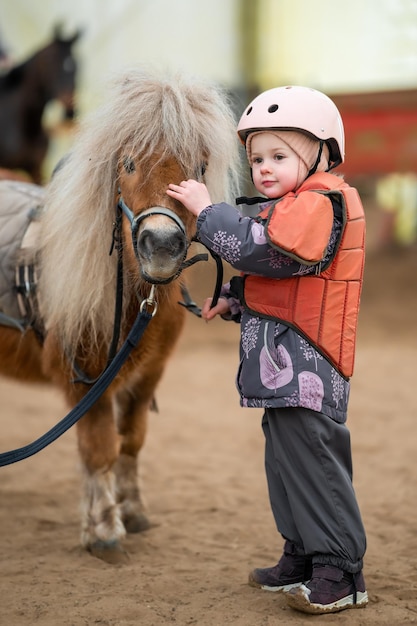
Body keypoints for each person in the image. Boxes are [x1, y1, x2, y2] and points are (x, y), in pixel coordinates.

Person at [167, 85, 368, 615]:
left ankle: (340, 569)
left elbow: (264, 253)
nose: (263, 169)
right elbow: (283, 280)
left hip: (309, 364)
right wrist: (234, 299)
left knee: (314, 463)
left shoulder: (322, 202)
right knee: (285, 463)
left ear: (322, 153)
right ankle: (302, 554)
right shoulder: (292, 206)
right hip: (285, 366)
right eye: (256, 158)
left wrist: (207, 211)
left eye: (279, 156)